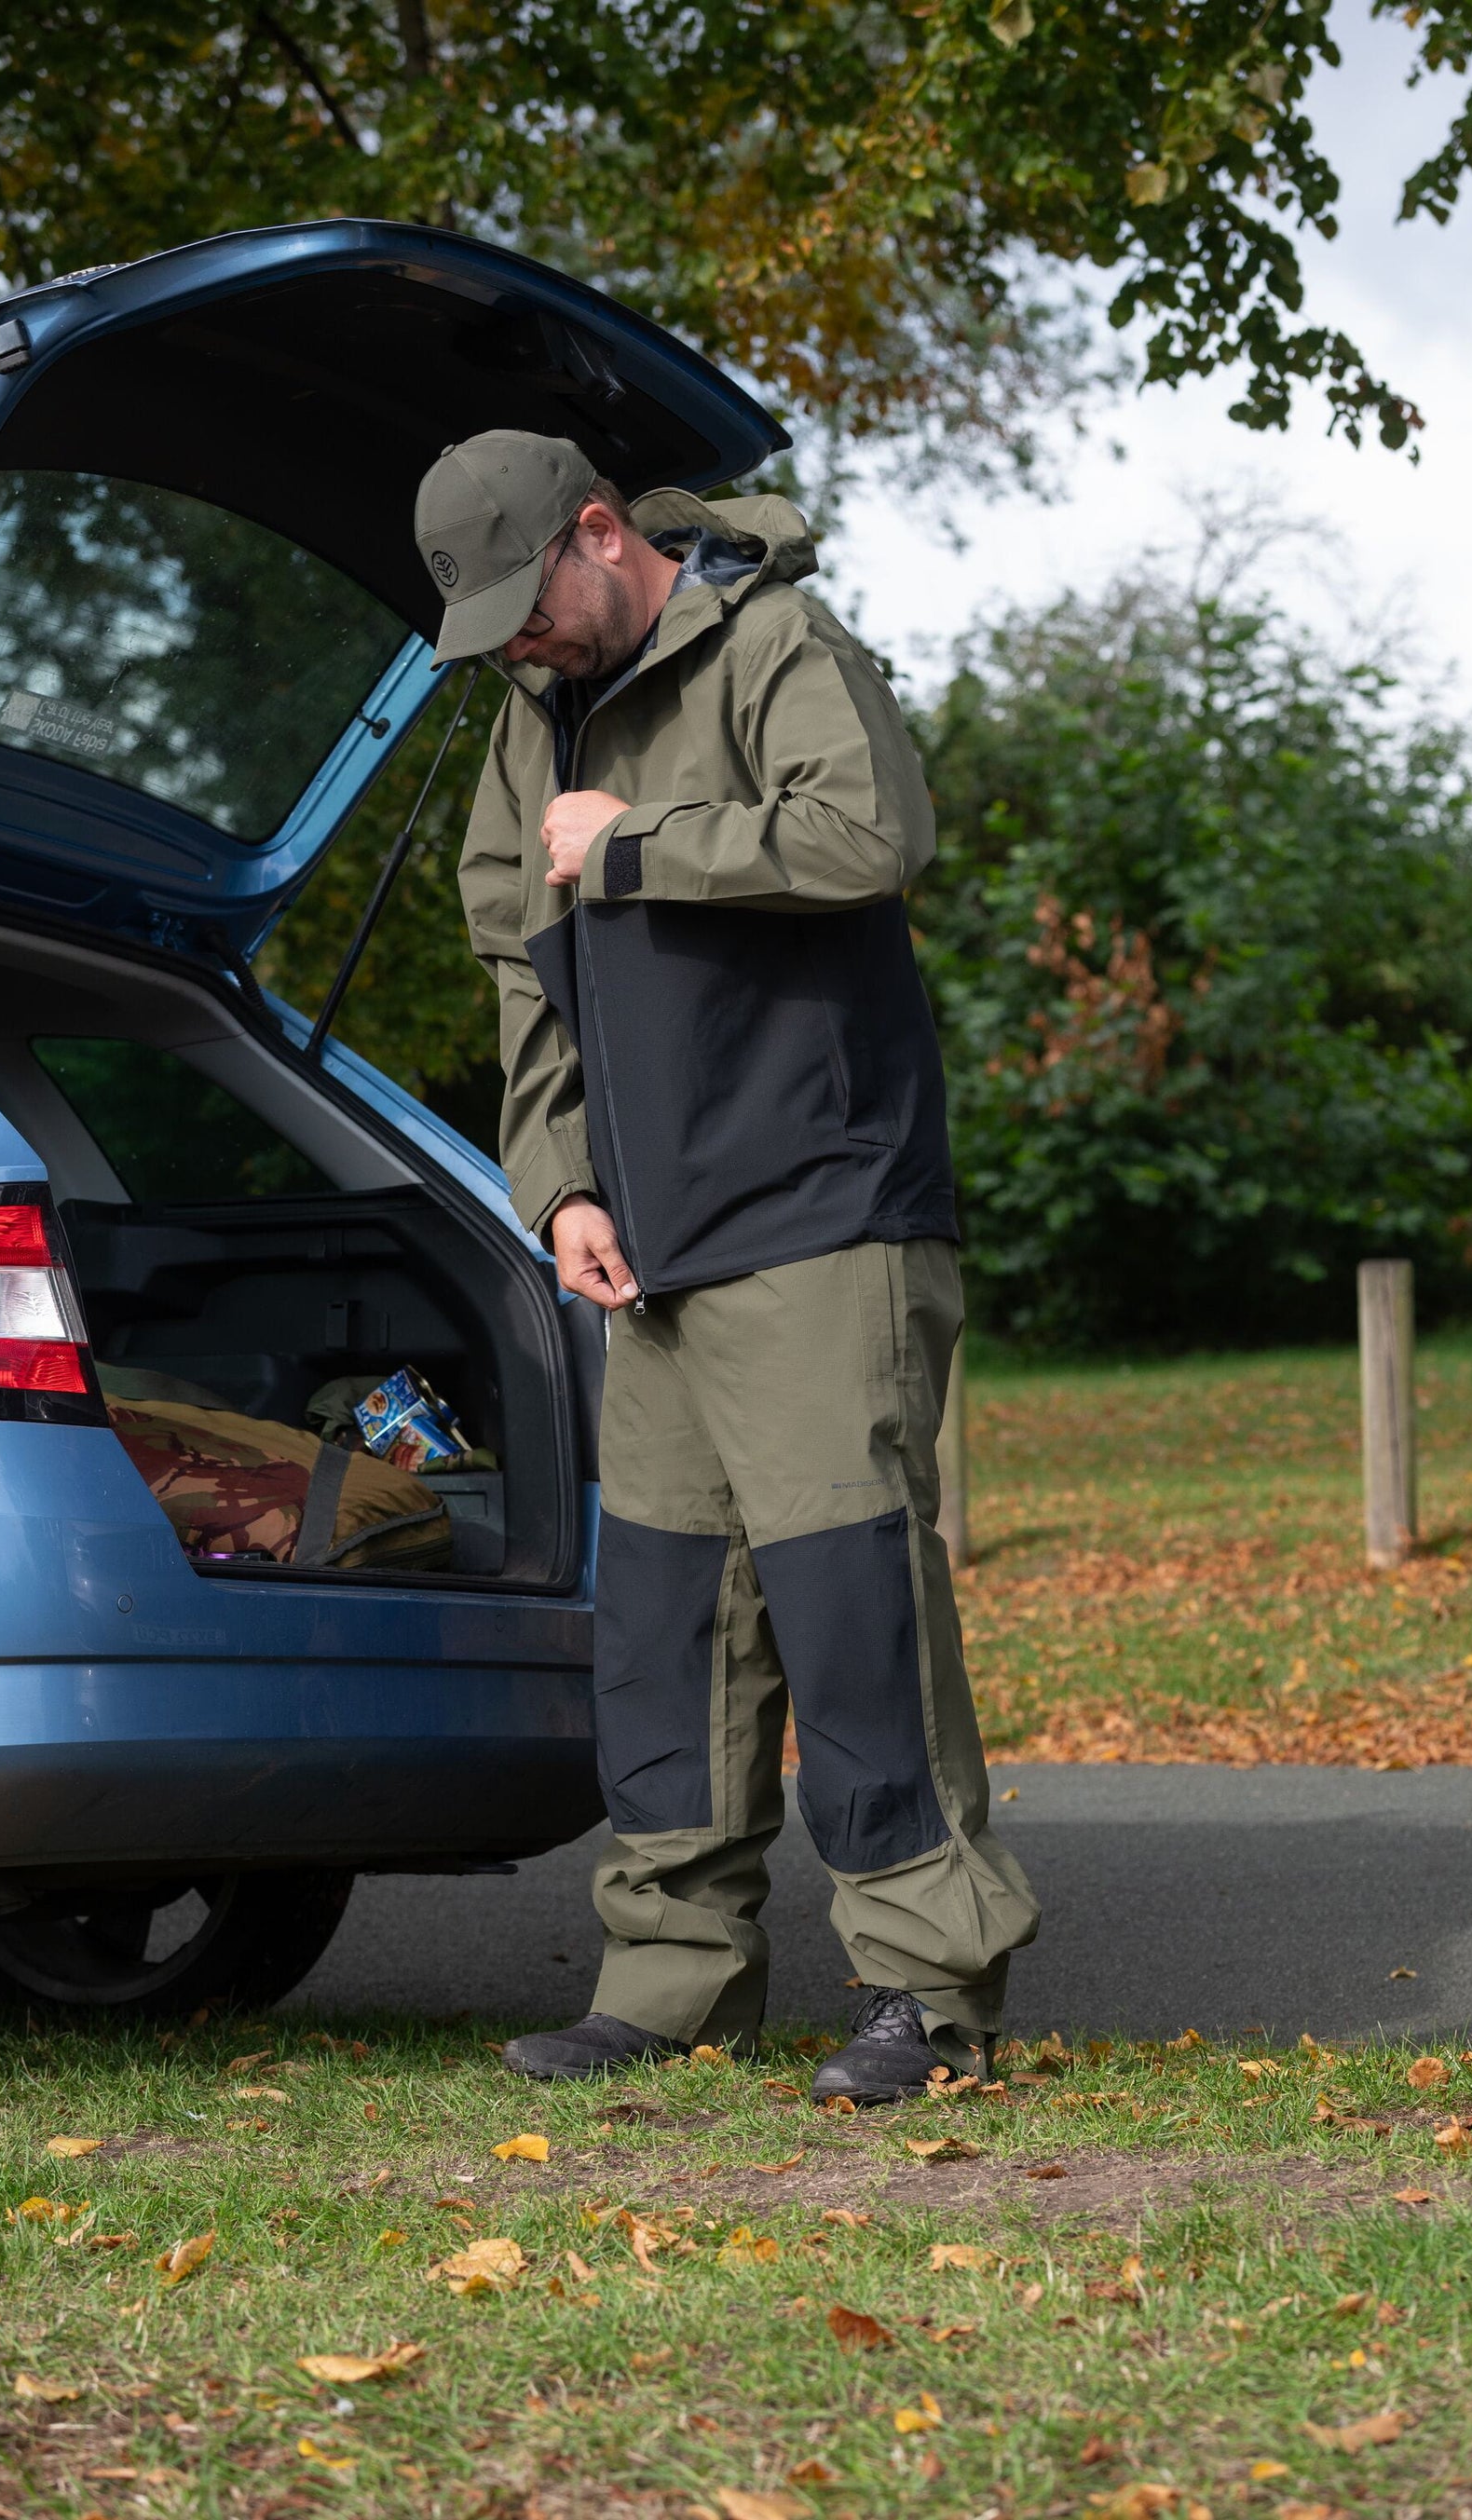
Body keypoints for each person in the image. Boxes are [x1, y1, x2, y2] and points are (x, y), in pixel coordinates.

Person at [414, 429, 1039, 2102]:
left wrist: (630, 843)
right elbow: (519, 967)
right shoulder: (530, 716)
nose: (516, 650)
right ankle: (675, 1979)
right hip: (652, 1239)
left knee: (851, 1611)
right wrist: (559, 1187)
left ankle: (932, 1985)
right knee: (672, 1629)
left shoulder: (776, 643)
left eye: (523, 609)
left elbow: (869, 835)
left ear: (601, 535)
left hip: (826, 1205)